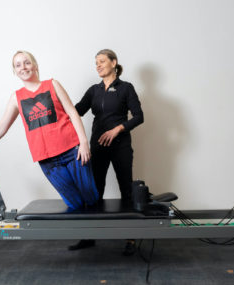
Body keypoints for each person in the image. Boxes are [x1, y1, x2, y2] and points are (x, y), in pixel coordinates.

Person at [0, 50, 99, 210]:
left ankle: (97, 235)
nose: (23, 67)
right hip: (48, 160)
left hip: (73, 151)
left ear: (35, 65)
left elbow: (72, 112)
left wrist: (84, 143)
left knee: (91, 198)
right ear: (15, 71)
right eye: (18, 65)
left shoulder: (52, 84)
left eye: (27, 62)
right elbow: (1, 128)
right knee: (74, 203)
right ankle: (84, 236)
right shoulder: (16, 98)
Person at [70, 49, 144, 255]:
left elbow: (139, 116)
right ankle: (89, 236)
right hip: (97, 147)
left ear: (114, 63)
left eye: (102, 61)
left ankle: (131, 238)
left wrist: (118, 129)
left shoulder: (126, 88)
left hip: (120, 146)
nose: (98, 65)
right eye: (96, 63)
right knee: (94, 190)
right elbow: (75, 111)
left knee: (126, 190)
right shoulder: (93, 90)